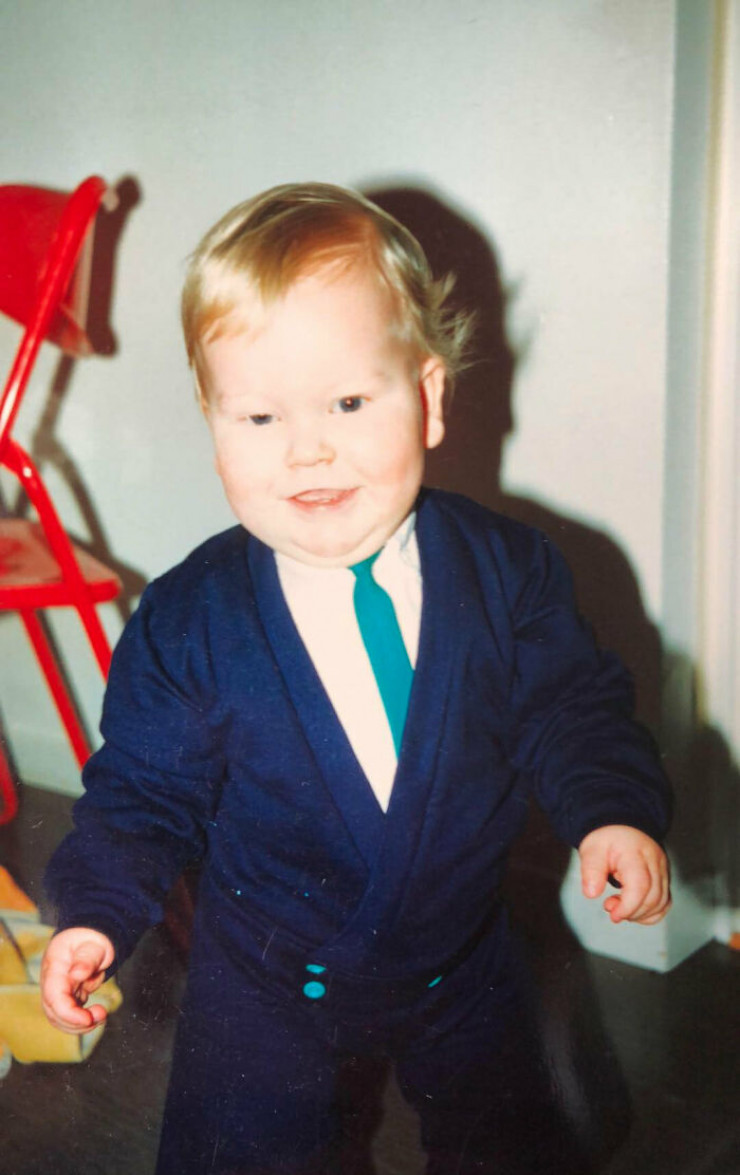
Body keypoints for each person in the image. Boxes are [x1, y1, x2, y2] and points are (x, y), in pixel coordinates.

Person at [41, 183, 671, 1175]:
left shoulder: (506, 571)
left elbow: (570, 705)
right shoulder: (188, 620)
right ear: (211, 423)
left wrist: (610, 809)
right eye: (258, 415)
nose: (308, 448)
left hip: (459, 944)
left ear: (427, 397)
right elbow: (140, 792)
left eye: (346, 402)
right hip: (269, 973)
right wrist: (93, 910)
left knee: (516, 1139)